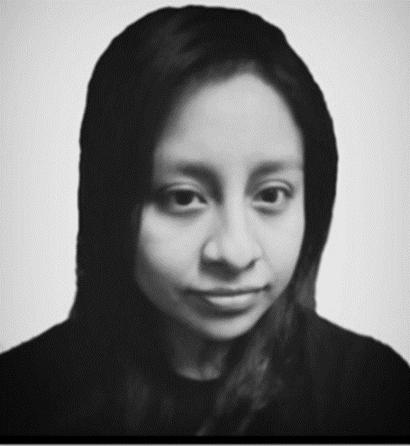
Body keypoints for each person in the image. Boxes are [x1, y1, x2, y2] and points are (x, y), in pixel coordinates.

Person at [1, 5, 409, 438]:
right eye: (183, 198)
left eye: (271, 195)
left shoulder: (372, 393)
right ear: (109, 205)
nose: (235, 252)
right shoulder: (20, 400)